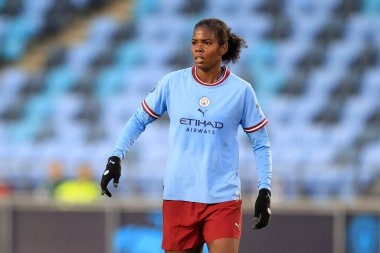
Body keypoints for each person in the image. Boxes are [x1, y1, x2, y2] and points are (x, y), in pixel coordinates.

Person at [100, 18, 272, 253]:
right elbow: (139, 119)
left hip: (222, 198)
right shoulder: (172, 83)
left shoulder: (241, 91)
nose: (198, 48)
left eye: (206, 42)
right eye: (194, 42)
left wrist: (265, 189)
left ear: (223, 48)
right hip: (179, 195)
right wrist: (116, 156)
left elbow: (261, 144)